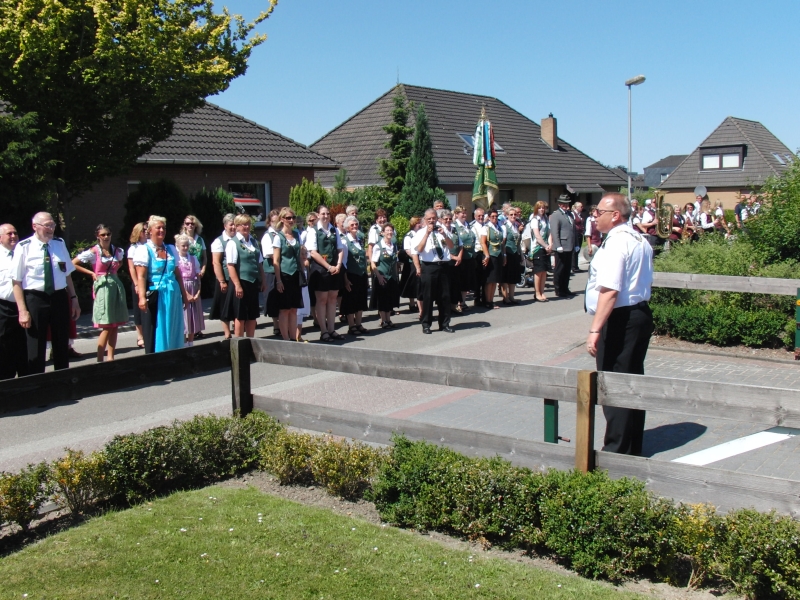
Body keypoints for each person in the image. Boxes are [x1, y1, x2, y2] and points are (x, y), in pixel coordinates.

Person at [585, 192, 654, 456]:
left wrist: (595, 329)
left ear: (615, 215)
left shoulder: (617, 243)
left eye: (599, 212)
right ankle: (631, 445)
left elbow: (610, 290)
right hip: (638, 315)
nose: (595, 216)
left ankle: (616, 451)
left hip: (620, 319)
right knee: (632, 382)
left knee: (614, 385)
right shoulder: (638, 238)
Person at [11, 212, 81, 373]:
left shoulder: (59, 244)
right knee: (36, 343)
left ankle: (62, 379)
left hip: (59, 297)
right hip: (35, 298)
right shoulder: (24, 247)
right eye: (47, 225)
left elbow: (67, 274)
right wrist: (22, 311)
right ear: (35, 226)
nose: (51, 229)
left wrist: (74, 298)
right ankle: (37, 382)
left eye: (53, 225)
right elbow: (16, 281)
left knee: (61, 341)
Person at [72, 224, 128, 362]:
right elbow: (74, 263)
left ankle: (111, 357)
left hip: (115, 286)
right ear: (97, 236)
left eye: (108, 234)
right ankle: (99, 359)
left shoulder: (116, 250)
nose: (106, 237)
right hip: (103, 288)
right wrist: (92, 273)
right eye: (103, 235)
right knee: (107, 325)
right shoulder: (94, 251)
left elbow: (120, 262)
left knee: (115, 324)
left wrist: (114, 271)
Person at [133, 216, 188, 353]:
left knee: (173, 325)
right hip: (157, 294)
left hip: (173, 293)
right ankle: (159, 355)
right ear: (150, 230)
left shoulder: (171, 249)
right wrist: (141, 297)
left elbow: (177, 274)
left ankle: (174, 354)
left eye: (164, 227)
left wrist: (184, 294)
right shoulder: (144, 250)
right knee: (158, 326)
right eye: (158, 227)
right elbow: (141, 276)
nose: (162, 230)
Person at [306, 205, 345, 342]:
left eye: (328, 213)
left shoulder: (334, 230)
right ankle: (324, 331)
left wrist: (338, 265)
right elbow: (312, 252)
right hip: (320, 269)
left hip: (334, 267)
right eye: (323, 213)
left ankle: (332, 329)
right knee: (322, 300)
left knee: (333, 299)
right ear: (318, 215)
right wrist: (328, 266)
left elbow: (340, 249)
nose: (326, 216)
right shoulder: (313, 231)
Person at [413, 208, 454, 334]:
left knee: (445, 296)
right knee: (428, 296)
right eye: (429, 218)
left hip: (444, 266)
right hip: (429, 267)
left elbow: (451, 246)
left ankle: (444, 323)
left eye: (434, 218)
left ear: (437, 218)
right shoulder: (420, 233)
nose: (432, 220)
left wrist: (444, 235)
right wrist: (427, 234)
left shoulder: (442, 230)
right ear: (425, 219)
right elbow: (418, 249)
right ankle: (426, 324)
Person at [226, 214, 266, 339]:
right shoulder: (233, 243)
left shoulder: (253, 242)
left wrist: (263, 279)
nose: (247, 227)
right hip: (241, 282)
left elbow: (260, 263)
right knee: (240, 315)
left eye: (248, 224)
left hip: (253, 282)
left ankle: (250, 341)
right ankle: (239, 343)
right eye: (243, 224)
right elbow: (230, 266)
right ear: (237, 226)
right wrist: (237, 285)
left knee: (252, 315)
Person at [272, 208, 305, 341]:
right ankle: (285, 339)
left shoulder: (297, 235)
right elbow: (276, 260)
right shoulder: (278, 237)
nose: (291, 220)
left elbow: (300, 255)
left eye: (293, 217)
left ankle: (293, 338)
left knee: (294, 309)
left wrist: (303, 272)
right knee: (284, 309)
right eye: (288, 218)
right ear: (282, 219)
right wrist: (278, 280)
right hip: (284, 275)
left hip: (296, 274)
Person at [0, 223, 27, 379]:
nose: (13, 236)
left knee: (23, 346)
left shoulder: (23, 252)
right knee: (4, 348)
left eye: (15, 233)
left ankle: (26, 382)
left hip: (24, 306)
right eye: (9, 233)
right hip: (3, 308)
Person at [179, 215, 207, 339]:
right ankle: (186, 329)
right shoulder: (182, 238)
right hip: (185, 274)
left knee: (196, 301)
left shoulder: (200, 240)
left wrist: (203, 269)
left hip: (196, 272)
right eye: (187, 223)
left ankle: (196, 329)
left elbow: (204, 257)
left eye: (192, 223)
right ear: (184, 225)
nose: (190, 225)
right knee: (186, 304)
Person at [209, 214, 236, 340]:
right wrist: (221, 281)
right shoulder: (219, 241)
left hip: (237, 278)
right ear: (225, 226)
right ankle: (227, 333)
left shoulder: (239, 239)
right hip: (225, 278)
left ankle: (237, 331)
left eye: (235, 224)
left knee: (236, 306)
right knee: (224, 306)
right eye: (231, 224)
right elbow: (216, 262)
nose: (233, 227)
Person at [341, 215, 370, 335]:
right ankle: (351, 326)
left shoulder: (360, 239)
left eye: (356, 224)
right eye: (352, 225)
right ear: (347, 227)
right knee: (351, 301)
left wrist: (366, 275)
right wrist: (345, 279)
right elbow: (343, 262)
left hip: (361, 274)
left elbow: (363, 259)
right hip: (351, 275)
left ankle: (359, 324)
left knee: (361, 300)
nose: (354, 226)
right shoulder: (344, 241)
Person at [175, 234, 204, 346]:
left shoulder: (193, 258)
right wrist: (186, 294)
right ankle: (183, 342)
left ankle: (191, 342)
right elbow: (177, 278)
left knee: (193, 316)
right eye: (183, 246)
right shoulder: (176, 259)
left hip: (193, 288)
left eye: (187, 245)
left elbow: (198, 276)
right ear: (178, 246)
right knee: (184, 316)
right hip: (182, 289)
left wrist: (198, 292)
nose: (185, 248)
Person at [370, 223, 400, 328]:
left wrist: (396, 276)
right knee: (382, 299)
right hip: (382, 275)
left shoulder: (394, 245)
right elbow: (373, 263)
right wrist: (378, 276)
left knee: (390, 298)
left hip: (392, 276)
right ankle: (383, 320)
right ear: (382, 233)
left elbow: (395, 262)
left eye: (391, 230)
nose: (389, 232)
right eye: (387, 230)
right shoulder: (378, 246)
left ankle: (388, 319)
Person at [522, 201, 551, 302]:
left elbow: (549, 233)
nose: (542, 210)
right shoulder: (535, 220)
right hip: (537, 248)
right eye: (540, 208)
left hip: (546, 247)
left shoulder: (546, 219)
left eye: (543, 208)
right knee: (538, 271)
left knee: (544, 271)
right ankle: (537, 293)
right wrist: (546, 246)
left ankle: (542, 292)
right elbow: (537, 236)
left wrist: (550, 245)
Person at [549, 194, 576, 298]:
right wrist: (558, 245)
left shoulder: (570, 214)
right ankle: (558, 289)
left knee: (567, 269)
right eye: (563, 204)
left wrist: (576, 244)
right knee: (559, 269)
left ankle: (565, 288)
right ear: (559, 204)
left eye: (567, 203)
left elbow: (573, 230)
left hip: (569, 245)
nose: (565, 205)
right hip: (561, 246)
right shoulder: (556, 215)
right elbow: (554, 231)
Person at [261, 209, 282, 336]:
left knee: (282, 299)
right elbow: (269, 253)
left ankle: (284, 325)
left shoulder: (282, 233)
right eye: (274, 221)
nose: (277, 223)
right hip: (271, 270)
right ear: (269, 222)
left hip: (282, 269)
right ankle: (276, 325)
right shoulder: (267, 236)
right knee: (273, 298)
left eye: (278, 221)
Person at [127, 222, 147, 348]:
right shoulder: (133, 248)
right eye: (144, 230)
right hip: (138, 282)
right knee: (139, 310)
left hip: (148, 280)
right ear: (138, 232)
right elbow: (131, 268)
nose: (146, 232)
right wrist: (136, 284)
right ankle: (140, 336)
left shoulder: (149, 245)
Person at [481, 208, 506, 309]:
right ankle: (488, 301)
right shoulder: (486, 228)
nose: (495, 218)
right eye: (492, 216)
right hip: (490, 255)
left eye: (496, 216)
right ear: (489, 217)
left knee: (495, 279)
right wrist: (487, 255)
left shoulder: (499, 227)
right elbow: (483, 243)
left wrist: (504, 256)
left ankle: (491, 300)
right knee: (489, 280)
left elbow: (502, 243)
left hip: (498, 254)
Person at [452, 206, 476, 311]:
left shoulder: (468, 225)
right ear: (456, 214)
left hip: (469, 256)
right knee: (459, 281)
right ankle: (458, 303)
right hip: (460, 257)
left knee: (466, 280)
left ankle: (463, 302)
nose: (464, 215)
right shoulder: (454, 226)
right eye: (462, 213)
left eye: (465, 213)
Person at [399, 216, 423, 317]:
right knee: (412, 284)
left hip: (421, 261)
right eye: (418, 223)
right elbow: (408, 250)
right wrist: (415, 258)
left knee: (419, 284)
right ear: (414, 224)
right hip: (411, 263)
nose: (420, 225)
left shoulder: (421, 234)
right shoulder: (409, 236)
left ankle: (419, 303)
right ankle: (412, 303)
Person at [501, 206, 523, 304]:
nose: (513, 216)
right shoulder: (505, 227)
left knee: (513, 276)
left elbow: (518, 242)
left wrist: (521, 254)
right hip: (508, 253)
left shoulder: (516, 226)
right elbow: (503, 243)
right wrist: (504, 255)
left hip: (515, 253)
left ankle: (512, 296)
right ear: (507, 215)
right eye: (511, 214)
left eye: (515, 214)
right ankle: (505, 297)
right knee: (506, 276)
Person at [470, 207, 487, 307]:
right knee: (477, 277)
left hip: (485, 252)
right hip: (476, 253)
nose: (481, 217)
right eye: (479, 216)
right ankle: (477, 298)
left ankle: (485, 298)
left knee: (485, 276)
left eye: (482, 216)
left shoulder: (486, 226)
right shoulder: (472, 227)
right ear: (475, 216)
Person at [296, 246, 311, 342]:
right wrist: (302, 265)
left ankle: (299, 336)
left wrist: (307, 267)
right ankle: (294, 336)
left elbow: (308, 279)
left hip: (305, 293)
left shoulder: (306, 266)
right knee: (296, 315)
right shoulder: (297, 267)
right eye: (302, 254)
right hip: (298, 293)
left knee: (300, 316)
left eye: (306, 254)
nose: (304, 256)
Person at [571, 202, 585, 273]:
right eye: (581, 206)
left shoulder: (580, 215)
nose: (582, 208)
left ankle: (576, 266)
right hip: (575, 234)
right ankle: (574, 267)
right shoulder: (573, 214)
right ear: (577, 207)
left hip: (580, 233)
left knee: (578, 250)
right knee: (575, 250)